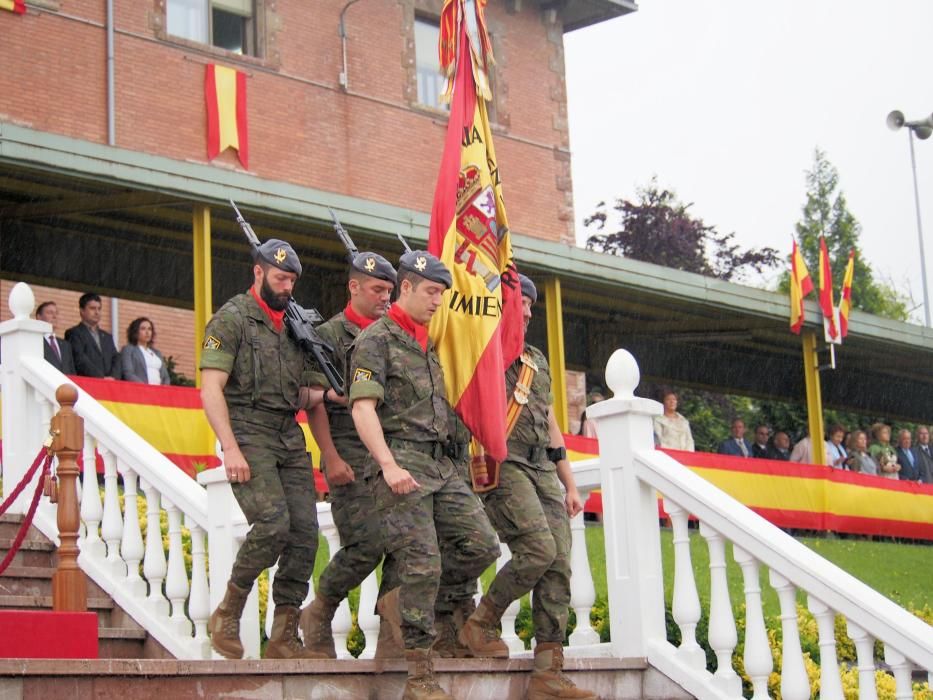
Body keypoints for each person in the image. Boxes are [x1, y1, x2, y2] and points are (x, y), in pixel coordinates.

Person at [349, 250, 499, 700]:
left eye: (442, 293)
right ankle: (419, 674)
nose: (438, 301)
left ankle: (403, 602)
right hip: (401, 463)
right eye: (432, 292)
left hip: (440, 466)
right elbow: (362, 407)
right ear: (407, 287)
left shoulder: (427, 343)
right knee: (422, 563)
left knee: (483, 544)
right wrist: (388, 465)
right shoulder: (376, 340)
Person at [458, 274, 596, 700]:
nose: (530, 312)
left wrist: (569, 482)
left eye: (533, 306)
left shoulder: (535, 360)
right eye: (523, 305)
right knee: (538, 549)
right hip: (503, 465)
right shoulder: (480, 352)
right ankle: (481, 622)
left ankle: (548, 670)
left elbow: (551, 423)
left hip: (540, 469)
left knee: (559, 564)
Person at [199, 238, 331, 661]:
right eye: (279, 278)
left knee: (305, 535)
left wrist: (332, 394)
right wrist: (231, 448)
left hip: (288, 434)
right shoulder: (232, 319)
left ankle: (284, 633)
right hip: (249, 430)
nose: (287, 287)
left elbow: (305, 391)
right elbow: (211, 388)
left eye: (292, 280)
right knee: (273, 524)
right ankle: (228, 612)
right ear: (258, 273)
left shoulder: (294, 325)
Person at [299, 251, 398, 659]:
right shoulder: (326, 335)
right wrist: (331, 456)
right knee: (367, 542)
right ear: (353, 287)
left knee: (409, 543)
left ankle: (396, 633)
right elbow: (309, 399)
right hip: (348, 451)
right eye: (377, 290)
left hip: (390, 453)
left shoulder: (392, 333)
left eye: (390, 291)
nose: (384, 299)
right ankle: (320, 611)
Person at [65, 292, 120, 379]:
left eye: (99, 308)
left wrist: (113, 377)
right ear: (82, 311)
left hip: (110, 385)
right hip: (88, 384)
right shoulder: (74, 333)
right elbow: (80, 360)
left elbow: (116, 359)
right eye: (92, 308)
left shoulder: (107, 337)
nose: (97, 312)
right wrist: (101, 378)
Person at [119, 317, 171, 385]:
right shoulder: (128, 349)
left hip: (159, 392)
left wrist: (164, 390)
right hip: (140, 391)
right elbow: (128, 373)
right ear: (135, 331)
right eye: (143, 329)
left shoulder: (157, 353)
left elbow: (166, 377)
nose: (147, 332)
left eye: (149, 329)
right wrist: (144, 388)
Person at [35, 301, 76, 374]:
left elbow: (72, 372)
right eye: (50, 313)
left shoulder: (66, 345)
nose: (55, 316)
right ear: (39, 317)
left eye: (56, 313)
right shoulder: (36, 342)